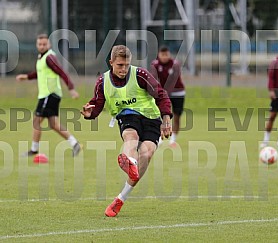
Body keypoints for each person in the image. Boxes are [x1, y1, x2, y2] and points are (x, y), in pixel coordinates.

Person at [81, 45, 172, 217]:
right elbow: (97, 105)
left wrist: (166, 119)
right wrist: (90, 114)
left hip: (151, 118)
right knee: (130, 135)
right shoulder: (103, 82)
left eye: (126, 65)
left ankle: (121, 197)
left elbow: (161, 95)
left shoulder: (140, 75)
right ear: (111, 63)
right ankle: (130, 161)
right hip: (127, 116)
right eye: (120, 65)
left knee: (147, 153)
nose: (123, 69)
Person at [16, 34, 81, 156]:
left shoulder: (49, 57)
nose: (41, 46)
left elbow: (61, 71)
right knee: (53, 124)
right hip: (49, 95)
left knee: (36, 120)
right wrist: (25, 77)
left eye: (44, 44)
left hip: (49, 94)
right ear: (36, 45)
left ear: (49, 44)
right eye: (39, 44)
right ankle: (74, 143)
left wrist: (71, 88)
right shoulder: (42, 57)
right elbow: (39, 72)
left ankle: (34, 149)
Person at [150, 46, 185, 146]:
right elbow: (153, 79)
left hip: (178, 93)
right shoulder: (155, 64)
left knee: (177, 116)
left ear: (169, 54)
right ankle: (160, 138)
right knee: (160, 115)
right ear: (159, 55)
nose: (164, 57)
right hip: (164, 93)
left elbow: (173, 80)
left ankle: (173, 140)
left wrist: (164, 92)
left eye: (166, 55)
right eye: (162, 55)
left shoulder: (175, 64)